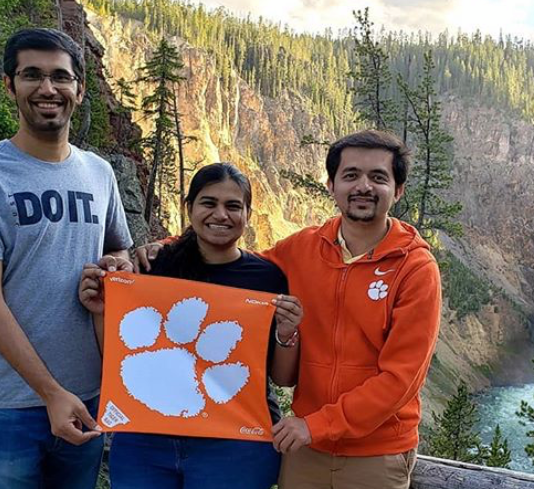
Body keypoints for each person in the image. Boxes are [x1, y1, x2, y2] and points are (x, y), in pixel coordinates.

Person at [138, 130, 442, 489]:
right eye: (351, 175)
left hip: (375, 453)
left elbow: (400, 380)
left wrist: (315, 425)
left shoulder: (415, 268)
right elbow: (233, 260)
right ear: (332, 184)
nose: (363, 186)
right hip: (306, 451)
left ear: (398, 189)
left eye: (378, 177)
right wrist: (166, 246)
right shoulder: (304, 248)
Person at [0, 28, 133, 489]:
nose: (48, 89)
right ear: (10, 85)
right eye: (32, 75)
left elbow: (118, 249)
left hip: (85, 397)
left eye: (60, 77)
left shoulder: (99, 172)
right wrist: (51, 393)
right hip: (5, 405)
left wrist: (116, 268)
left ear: (79, 89)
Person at [79, 162, 304, 489]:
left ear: (248, 214)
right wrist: (102, 311)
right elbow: (115, 356)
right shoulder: (154, 266)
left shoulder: (268, 278)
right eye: (209, 203)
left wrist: (287, 333)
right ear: (190, 208)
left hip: (234, 444)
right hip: (148, 438)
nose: (220, 215)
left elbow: (282, 377)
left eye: (233, 206)